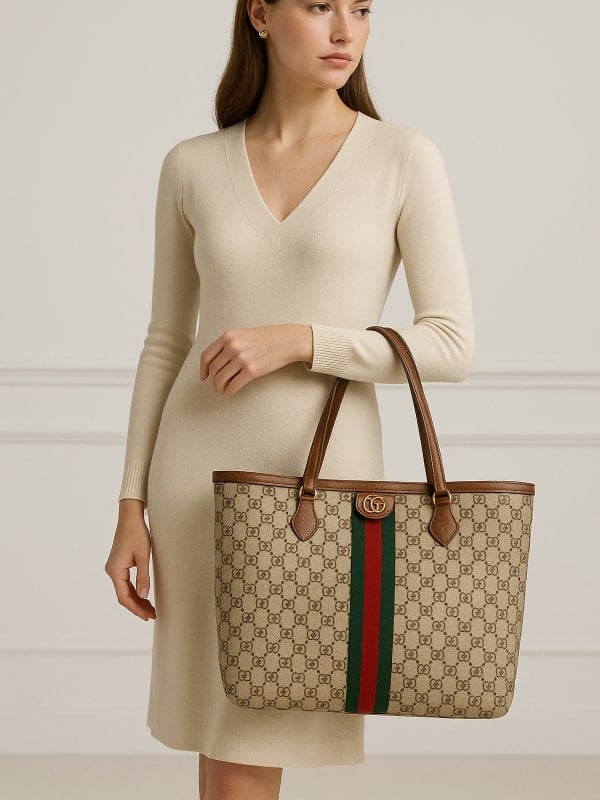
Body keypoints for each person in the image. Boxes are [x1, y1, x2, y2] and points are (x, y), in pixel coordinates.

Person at [104, 0, 475, 797]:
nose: (346, 30)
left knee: (247, 745)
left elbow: (450, 342)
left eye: (363, 9)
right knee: (222, 742)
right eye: (319, 6)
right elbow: (166, 342)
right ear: (262, 15)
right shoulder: (192, 164)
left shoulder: (402, 157)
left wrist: (304, 340)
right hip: (192, 481)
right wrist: (131, 501)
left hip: (317, 488)